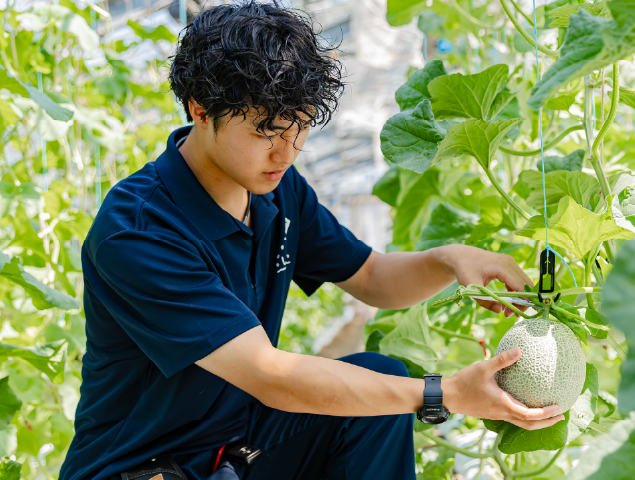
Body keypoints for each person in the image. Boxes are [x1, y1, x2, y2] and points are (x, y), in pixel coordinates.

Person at [58, 2, 564, 479]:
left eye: (300, 128)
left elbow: (372, 277)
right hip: (142, 466)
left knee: (376, 381)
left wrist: (450, 259)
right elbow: (270, 375)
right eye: (267, 131)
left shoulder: (276, 191)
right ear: (201, 109)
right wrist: (443, 393)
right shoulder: (139, 228)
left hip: (233, 450)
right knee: (392, 389)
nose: (287, 152)